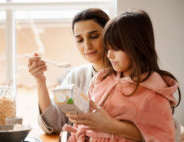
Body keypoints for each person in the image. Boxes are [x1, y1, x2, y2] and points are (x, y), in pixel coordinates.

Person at [65, 9, 181, 142]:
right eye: (108, 48)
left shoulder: (153, 94)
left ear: (137, 46)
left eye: (115, 48)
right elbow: (82, 122)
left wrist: (110, 127)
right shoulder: (100, 79)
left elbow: (165, 136)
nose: (109, 55)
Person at [28, 8, 142, 141]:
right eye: (80, 40)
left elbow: (150, 131)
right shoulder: (75, 77)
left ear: (109, 35)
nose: (87, 45)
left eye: (93, 36)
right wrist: (40, 80)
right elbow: (53, 124)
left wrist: (109, 125)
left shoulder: (132, 77)